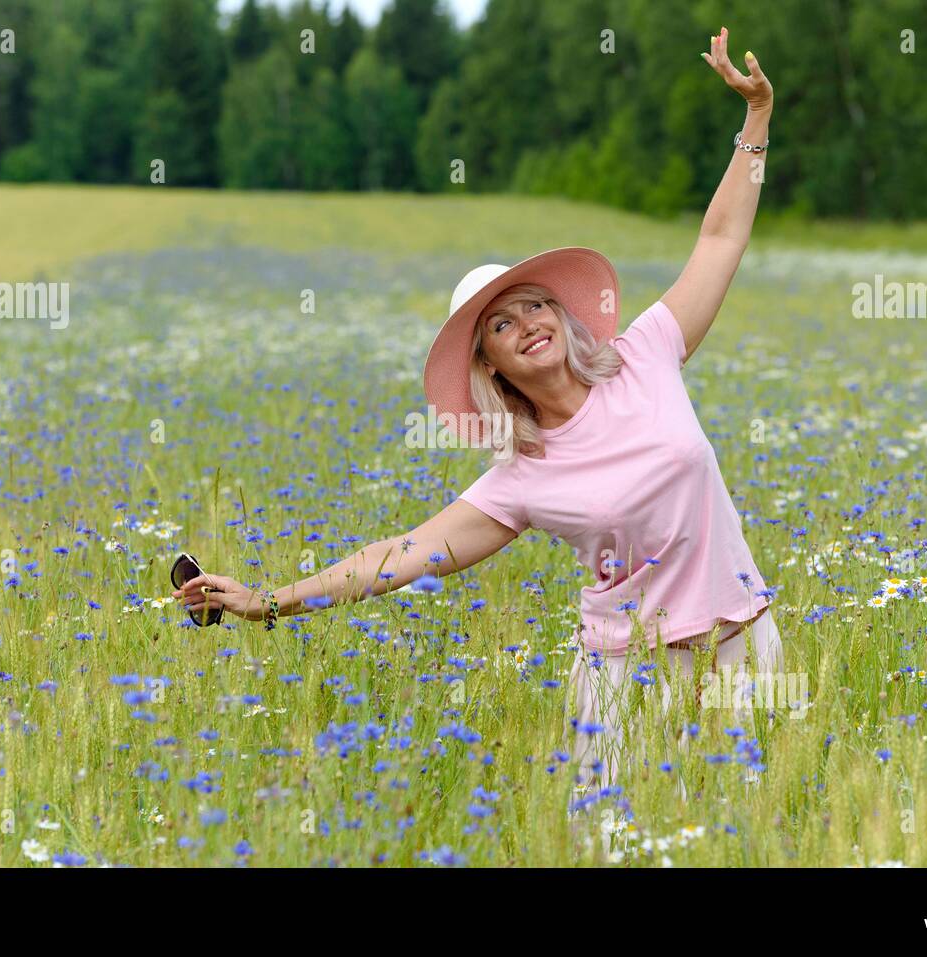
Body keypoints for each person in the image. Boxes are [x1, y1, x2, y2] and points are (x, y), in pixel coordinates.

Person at [174, 27, 780, 793]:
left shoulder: (647, 353)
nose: (526, 323)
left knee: (754, 833)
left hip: (742, 649)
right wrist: (268, 603)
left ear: (562, 316)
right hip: (626, 679)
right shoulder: (520, 477)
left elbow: (720, 236)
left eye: (534, 305)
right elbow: (396, 558)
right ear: (487, 363)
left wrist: (755, 119)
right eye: (501, 324)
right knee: (614, 840)